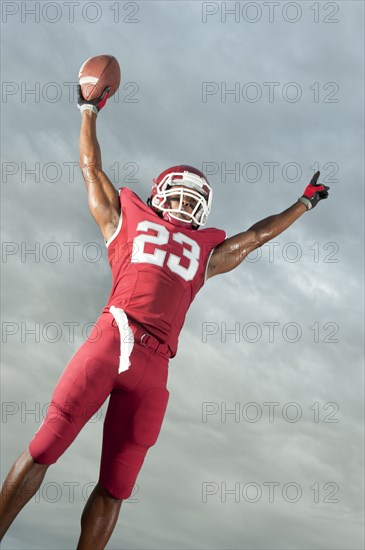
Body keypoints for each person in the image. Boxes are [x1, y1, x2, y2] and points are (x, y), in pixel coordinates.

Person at [0, 86, 330, 549]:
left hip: (156, 368)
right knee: (45, 447)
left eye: (195, 201)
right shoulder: (124, 220)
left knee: (116, 486)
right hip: (115, 336)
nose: (186, 205)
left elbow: (253, 237)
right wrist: (89, 110)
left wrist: (303, 203)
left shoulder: (205, 252)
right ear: (159, 195)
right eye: (179, 195)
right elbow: (91, 169)